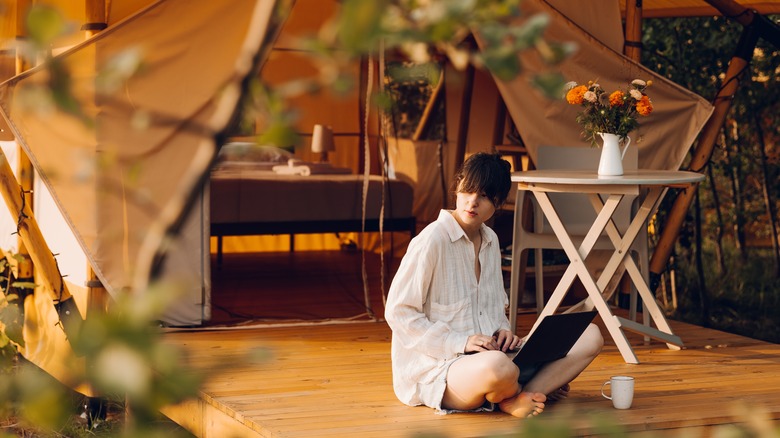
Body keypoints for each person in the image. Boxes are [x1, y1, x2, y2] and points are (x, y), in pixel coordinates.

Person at [384, 152, 603, 417]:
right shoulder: (432, 240)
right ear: (458, 186)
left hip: (495, 356)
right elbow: (399, 312)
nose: (472, 202)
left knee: (590, 335)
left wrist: (503, 330)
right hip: (443, 368)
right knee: (499, 367)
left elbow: (494, 306)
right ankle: (534, 386)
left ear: (498, 202)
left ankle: (519, 394)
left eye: (484, 196)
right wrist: (460, 342)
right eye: (468, 190)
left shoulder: (490, 240)